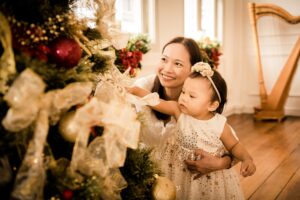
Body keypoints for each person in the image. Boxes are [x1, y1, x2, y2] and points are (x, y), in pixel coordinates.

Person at [128, 61, 256, 199]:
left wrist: (247, 159)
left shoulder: (219, 124)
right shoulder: (178, 111)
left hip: (210, 178)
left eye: (192, 96)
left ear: (212, 105)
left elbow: (234, 145)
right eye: (183, 91)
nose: (183, 98)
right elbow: (155, 101)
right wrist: (135, 90)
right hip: (178, 173)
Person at [133, 37, 234, 175]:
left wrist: (220, 163)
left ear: (193, 71)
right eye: (164, 59)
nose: (167, 69)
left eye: (178, 64)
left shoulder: (199, 101)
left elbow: (233, 147)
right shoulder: (142, 88)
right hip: (143, 174)